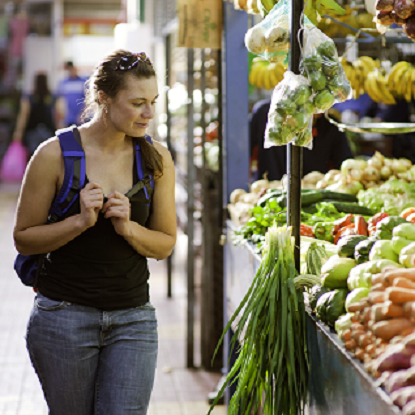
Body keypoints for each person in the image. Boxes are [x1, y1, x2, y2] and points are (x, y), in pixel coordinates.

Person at [13, 50, 177, 415]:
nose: (148, 114)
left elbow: (165, 243)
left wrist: (130, 229)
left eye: (152, 102)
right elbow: (23, 237)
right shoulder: (53, 155)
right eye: (137, 103)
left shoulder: (156, 159)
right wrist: (79, 222)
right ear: (104, 98)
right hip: (63, 317)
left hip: (133, 318)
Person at [250, 99, 353, 180]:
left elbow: (346, 167)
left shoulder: (332, 126)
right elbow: (244, 155)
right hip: (267, 192)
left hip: (314, 197)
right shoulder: (265, 114)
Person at [12, 72, 56, 157]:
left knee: (33, 157)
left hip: (32, 131)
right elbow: (58, 115)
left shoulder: (29, 97)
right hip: (48, 131)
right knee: (46, 157)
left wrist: (18, 133)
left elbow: (23, 116)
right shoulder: (52, 97)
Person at [55, 60, 87, 128]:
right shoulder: (63, 83)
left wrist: (82, 114)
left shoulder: (83, 82)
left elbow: (87, 100)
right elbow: (59, 102)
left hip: (80, 118)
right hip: (68, 119)